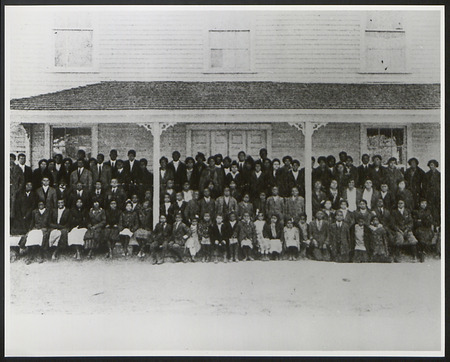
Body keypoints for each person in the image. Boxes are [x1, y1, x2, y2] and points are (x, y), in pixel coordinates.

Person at [423, 160, 440, 228]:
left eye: (433, 165)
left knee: (437, 209)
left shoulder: (439, 175)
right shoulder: (427, 175)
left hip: (437, 195)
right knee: (430, 209)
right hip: (429, 195)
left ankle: (438, 224)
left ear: (435, 166)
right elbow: (424, 185)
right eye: (430, 165)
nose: (431, 166)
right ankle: (431, 224)